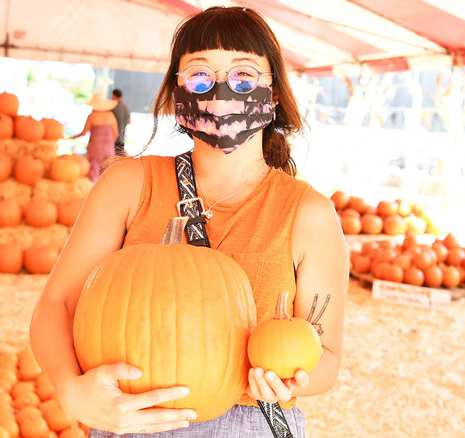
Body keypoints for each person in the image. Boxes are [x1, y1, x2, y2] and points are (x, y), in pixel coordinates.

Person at [30, 6, 349, 437]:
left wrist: (296, 378)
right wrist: (71, 390)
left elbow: (326, 355)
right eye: (200, 77)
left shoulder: (308, 213)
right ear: (177, 93)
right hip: (132, 418)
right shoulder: (128, 183)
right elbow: (56, 306)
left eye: (243, 77)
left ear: (272, 96)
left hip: (252, 423)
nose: (220, 93)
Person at [71, 92, 119, 182]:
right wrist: (108, 144)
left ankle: (93, 194)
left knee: (93, 173)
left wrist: (71, 137)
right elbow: (116, 133)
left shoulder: (92, 116)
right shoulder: (111, 116)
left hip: (95, 149)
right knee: (107, 174)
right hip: (108, 148)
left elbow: (84, 132)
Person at [111, 88, 131, 155]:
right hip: (122, 139)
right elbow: (129, 121)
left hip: (112, 139)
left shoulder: (113, 106)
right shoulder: (126, 106)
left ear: (113, 96)